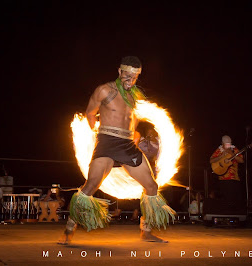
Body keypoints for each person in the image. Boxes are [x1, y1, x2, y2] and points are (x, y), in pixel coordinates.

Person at [58, 56, 175, 245]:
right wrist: (96, 132)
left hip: (128, 146)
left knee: (152, 187)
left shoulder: (135, 95)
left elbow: (133, 118)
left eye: (134, 77)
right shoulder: (105, 90)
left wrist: (134, 134)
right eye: (127, 76)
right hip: (107, 143)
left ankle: (146, 231)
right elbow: (89, 112)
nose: (130, 81)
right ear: (119, 72)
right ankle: (69, 229)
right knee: (90, 187)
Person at [209, 135, 245, 209]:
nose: (228, 145)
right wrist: (221, 156)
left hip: (234, 178)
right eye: (226, 144)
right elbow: (211, 160)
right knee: (225, 200)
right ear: (222, 143)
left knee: (234, 200)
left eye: (229, 143)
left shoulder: (234, 149)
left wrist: (232, 153)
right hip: (223, 178)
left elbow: (241, 160)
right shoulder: (219, 150)